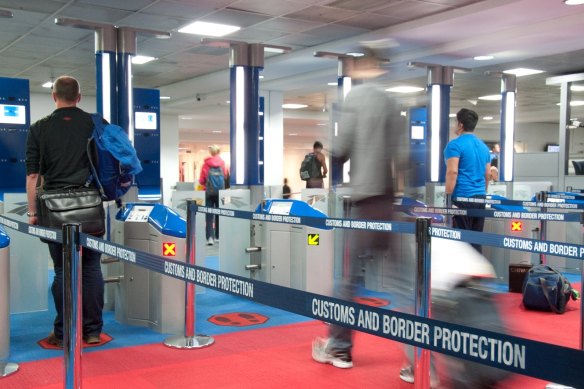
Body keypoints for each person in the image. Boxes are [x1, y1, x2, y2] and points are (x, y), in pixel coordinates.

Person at [311, 49, 404, 369]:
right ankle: (420, 360)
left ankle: (339, 347)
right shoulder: (393, 102)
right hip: (389, 202)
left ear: (360, 65)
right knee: (406, 284)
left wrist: (334, 171)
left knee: (349, 281)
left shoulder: (354, 99)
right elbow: (404, 157)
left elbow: (341, 148)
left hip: (364, 202)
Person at [25, 75, 104, 347]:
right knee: (92, 268)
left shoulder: (40, 128)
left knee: (62, 269)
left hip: (55, 211)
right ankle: (93, 331)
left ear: (53, 96)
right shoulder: (95, 123)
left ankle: (64, 332)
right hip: (91, 207)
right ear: (79, 97)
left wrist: (32, 213)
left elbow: (33, 176)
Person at [444, 108, 491, 251]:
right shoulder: (483, 146)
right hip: (480, 198)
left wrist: (447, 198)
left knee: (462, 243)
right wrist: (482, 192)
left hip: (462, 198)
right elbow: (487, 173)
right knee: (476, 241)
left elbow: (452, 171)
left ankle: (463, 273)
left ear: (460, 125)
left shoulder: (454, 145)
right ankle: (476, 273)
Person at [199, 144, 228, 246]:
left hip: (209, 192)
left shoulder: (206, 164)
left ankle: (209, 238)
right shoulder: (222, 163)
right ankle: (218, 236)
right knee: (219, 214)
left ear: (211, 152)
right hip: (220, 193)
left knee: (209, 215)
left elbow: (201, 180)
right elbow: (225, 176)